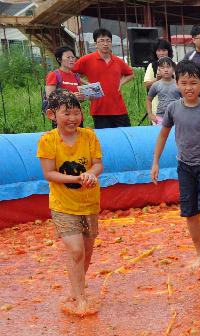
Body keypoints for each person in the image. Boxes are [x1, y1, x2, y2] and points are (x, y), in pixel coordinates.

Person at [150, 61, 200, 269]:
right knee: (191, 213)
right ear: (177, 84)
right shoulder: (173, 109)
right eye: (184, 83)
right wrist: (155, 163)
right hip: (185, 167)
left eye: (193, 83)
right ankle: (199, 253)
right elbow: (162, 136)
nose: (189, 88)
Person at [37, 91, 103, 315]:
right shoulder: (48, 140)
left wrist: (92, 174)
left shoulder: (89, 136)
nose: (73, 118)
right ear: (51, 114)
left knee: (86, 250)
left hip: (89, 202)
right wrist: (76, 178)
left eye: (77, 112)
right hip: (63, 205)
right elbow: (48, 173)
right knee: (76, 250)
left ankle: (76, 288)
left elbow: (97, 164)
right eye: (67, 113)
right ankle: (80, 298)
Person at [73, 28, 134, 129]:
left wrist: (121, 83)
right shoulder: (87, 59)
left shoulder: (117, 61)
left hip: (119, 108)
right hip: (99, 108)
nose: (105, 44)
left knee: (126, 136)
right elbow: (72, 73)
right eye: (101, 41)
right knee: (105, 140)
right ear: (95, 44)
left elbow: (130, 74)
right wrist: (87, 84)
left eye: (108, 41)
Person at [145, 57, 181, 125]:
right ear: (159, 70)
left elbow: (186, 100)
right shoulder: (156, 85)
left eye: (168, 67)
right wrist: (150, 114)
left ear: (173, 69)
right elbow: (148, 100)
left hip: (177, 118)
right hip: (161, 118)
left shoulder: (179, 84)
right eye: (162, 67)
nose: (166, 70)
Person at [143, 39, 173, 117]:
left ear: (168, 51)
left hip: (175, 107)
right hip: (158, 107)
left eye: (164, 50)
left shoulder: (175, 64)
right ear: (155, 52)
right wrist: (157, 79)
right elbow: (147, 84)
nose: (162, 53)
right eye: (159, 50)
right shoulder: (152, 66)